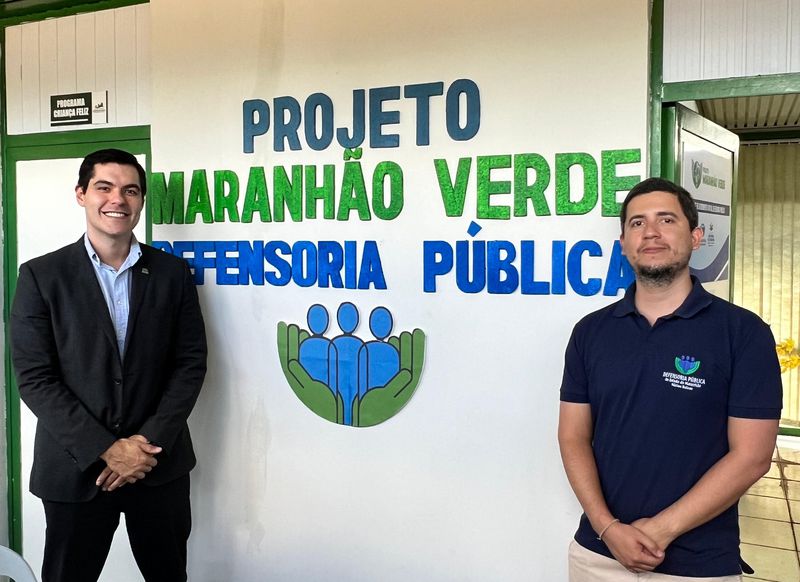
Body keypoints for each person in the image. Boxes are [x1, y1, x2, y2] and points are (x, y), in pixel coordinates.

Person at [558, 177, 782, 581]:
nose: (651, 232)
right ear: (623, 243)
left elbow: (752, 456)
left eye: (666, 219)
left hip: (696, 566)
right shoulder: (590, 332)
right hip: (597, 555)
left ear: (695, 236)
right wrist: (608, 529)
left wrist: (659, 531)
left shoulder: (743, 333)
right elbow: (573, 436)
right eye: (637, 223)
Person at [10, 148, 207, 582]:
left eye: (130, 190)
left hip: (157, 466)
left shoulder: (173, 274)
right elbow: (35, 378)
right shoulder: (41, 276)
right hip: (75, 469)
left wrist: (144, 444)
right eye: (104, 187)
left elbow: (189, 365)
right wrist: (107, 449)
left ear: (141, 201)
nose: (118, 199)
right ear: (81, 194)